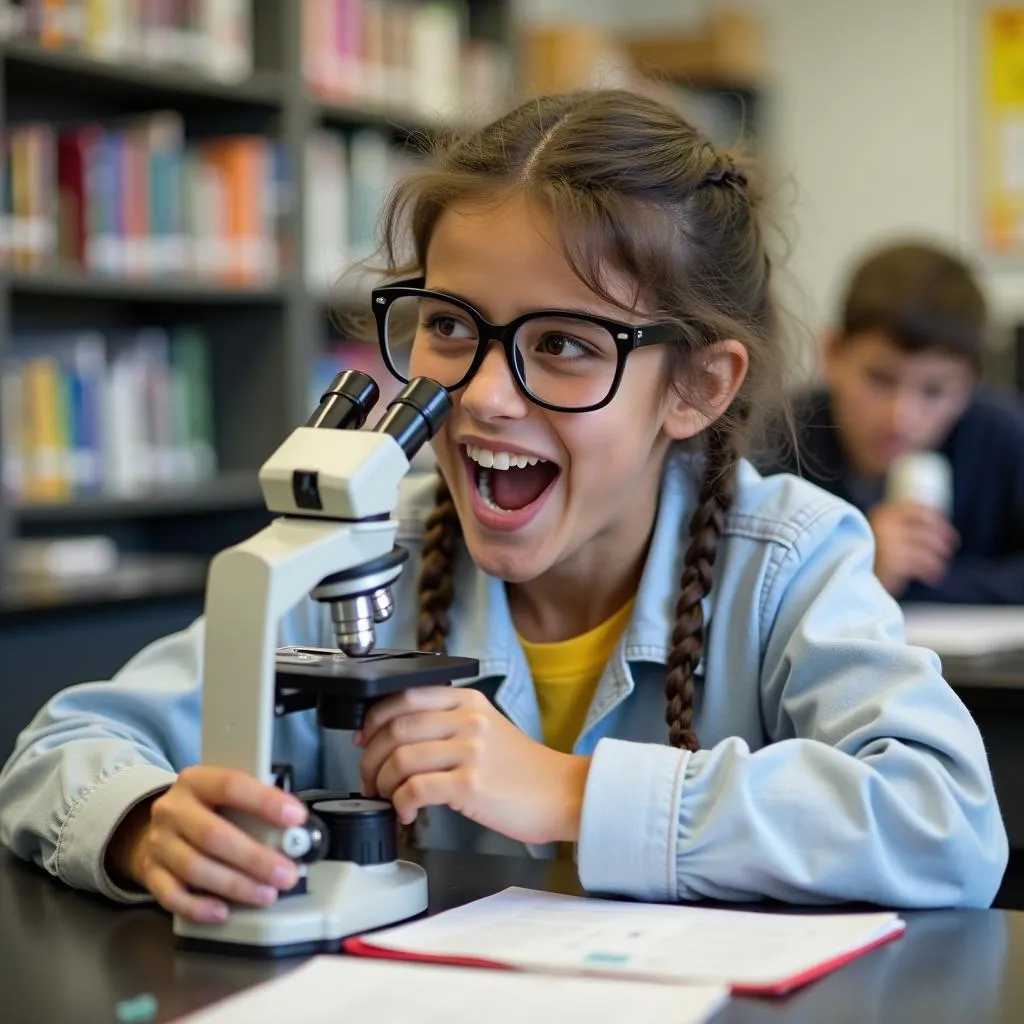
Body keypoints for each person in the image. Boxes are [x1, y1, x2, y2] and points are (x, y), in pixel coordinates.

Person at [0, 92, 1007, 923]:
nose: (484, 394)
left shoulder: (788, 557)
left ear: (697, 386)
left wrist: (571, 791)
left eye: (565, 342)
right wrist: (144, 822)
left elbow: (948, 823)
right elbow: (59, 749)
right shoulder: (360, 554)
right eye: (449, 324)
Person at [760, 242, 1024, 603]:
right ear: (833, 353)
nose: (900, 416)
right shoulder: (776, 438)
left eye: (934, 391)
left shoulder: (1003, 437)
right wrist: (856, 563)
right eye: (879, 378)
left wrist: (920, 581)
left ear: (971, 384)